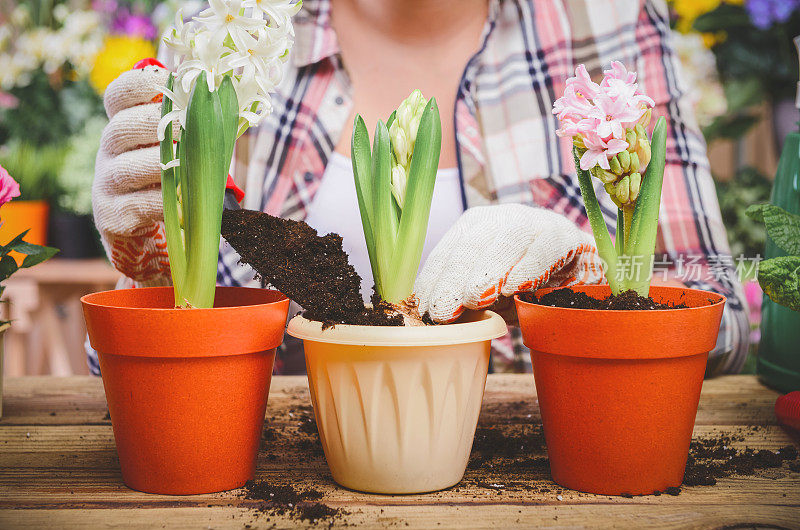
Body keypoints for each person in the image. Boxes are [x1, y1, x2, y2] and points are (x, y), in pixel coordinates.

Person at [91, 0, 749, 375]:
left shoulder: (602, 18)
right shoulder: (237, 20)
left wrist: (581, 282)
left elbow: (723, 319)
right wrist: (151, 265)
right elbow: (132, 361)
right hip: (261, 459)